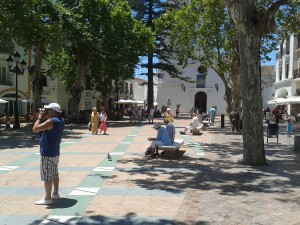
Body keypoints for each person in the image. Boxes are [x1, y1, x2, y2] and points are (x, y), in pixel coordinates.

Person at [32, 103, 65, 205]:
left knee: (47, 176)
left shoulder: (51, 121)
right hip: (55, 151)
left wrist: (40, 117)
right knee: (54, 173)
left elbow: (35, 129)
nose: (46, 111)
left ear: (53, 111)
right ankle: (55, 193)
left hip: (47, 152)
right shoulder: (60, 120)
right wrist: (44, 115)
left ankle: (47, 198)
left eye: (48, 110)